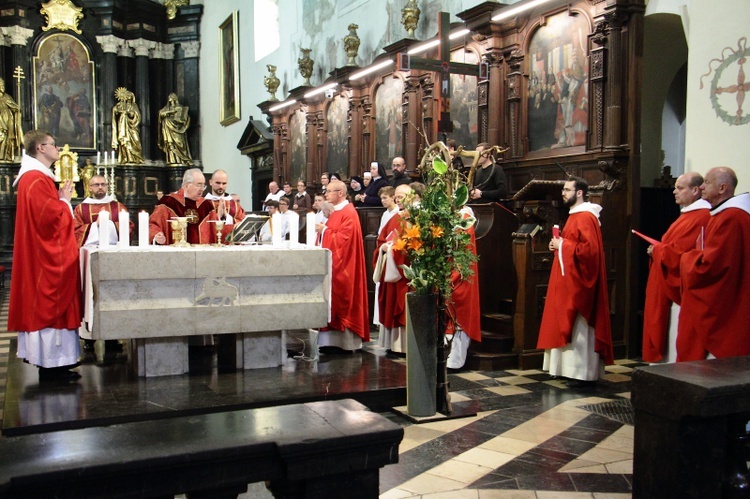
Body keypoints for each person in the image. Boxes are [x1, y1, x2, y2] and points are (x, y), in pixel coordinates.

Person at [8, 130, 81, 381]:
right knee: (51, 304)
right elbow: (48, 219)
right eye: (54, 144)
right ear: (40, 148)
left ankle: (57, 364)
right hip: (44, 259)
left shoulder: (36, 178)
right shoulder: (36, 179)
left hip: (39, 255)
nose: (58, 149)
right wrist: (64, 202)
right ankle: (51, 366)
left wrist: (60, 200)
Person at [537, 177, 613, 387]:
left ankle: (581, 372)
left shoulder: (586, 217)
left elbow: (590, 253)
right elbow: (573, 246)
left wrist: (564, 245)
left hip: (579, 283)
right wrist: (559, 246)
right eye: (563, 189)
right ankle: (563, 369)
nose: (563, 192)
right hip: (568, 279)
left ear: (580, 193)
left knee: (578, 326)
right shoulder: (574, 216)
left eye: (567, 189)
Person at [677, 167, 750, 361]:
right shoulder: (722, 214)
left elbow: (711, 265)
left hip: (727, 302)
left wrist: (686, 258)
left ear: (722, 188)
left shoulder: (732, 217)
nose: (701, 187)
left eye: (707, 182)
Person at [642, 172, 710, 363]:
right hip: (666, 283)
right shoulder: (688, 215)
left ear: (695, 190)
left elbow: (683, 254)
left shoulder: (702, 216)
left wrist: (658, 250)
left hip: (679, 290)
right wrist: (657, 250)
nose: (674, 192)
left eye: (680, 188)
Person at [315, 180, 369, 351]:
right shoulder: (336, 211)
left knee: (343, 300)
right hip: (332, 265)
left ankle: (345, 342)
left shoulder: (349, 212)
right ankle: (329, 341)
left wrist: (324, 231)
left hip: (345, 266)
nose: (326, 194)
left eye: (329, 191)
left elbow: (344, 241)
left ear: (340, 193)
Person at [373, 184, 412, 354]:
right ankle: (392, 344)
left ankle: (405, 346)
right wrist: (384, 249)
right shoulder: (394, 218)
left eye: (401, 196)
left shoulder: (416, 218)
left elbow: (416, 246)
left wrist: (395, 250)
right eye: (396, 196)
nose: (398, 199)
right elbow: (381, 240)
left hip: (405, 273)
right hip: (391, 270)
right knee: (389, 303)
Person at [446, 204, 482, 370]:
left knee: (459, 315)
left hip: (460, 275)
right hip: (448, 271)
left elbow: (463, 253)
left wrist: (453, 275)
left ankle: (455, 360)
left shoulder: (464, 219)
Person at [149, 168, 226, 245]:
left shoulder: (206, 205)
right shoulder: (168, 202)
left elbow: (217, 230)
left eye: (203, 186)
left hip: (202, 254)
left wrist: (224, 219)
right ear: (187, 185)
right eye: (199, 185)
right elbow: (153, 224)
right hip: (175, 254)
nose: (202, 189)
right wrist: (156, 234)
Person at [74, 175, 134, 247]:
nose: (100, 187)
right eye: (96, 185)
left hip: (113, 248)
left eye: (103, 184)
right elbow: (75, 231)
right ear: (90, 188)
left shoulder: (118, 206)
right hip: (89, 248)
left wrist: (109, 224)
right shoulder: (80, 208)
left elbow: (129, 227)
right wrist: (95, 225)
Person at [157, 92, 193, 166]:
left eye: (173, 96)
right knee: (170, 144)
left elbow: (185, 117)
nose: (171, 97)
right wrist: (170, 112)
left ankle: (182, 159)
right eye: (170, 97)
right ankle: (172, 160)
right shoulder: (166, 108)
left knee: (180, 143)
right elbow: (161, 114)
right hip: (168, 129)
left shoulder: (180, 107)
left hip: (178, 129)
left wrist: (183, 120)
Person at [111, 87, 144, 164]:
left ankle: (136, 157)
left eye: (130, 96)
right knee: (124, 142)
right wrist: (117, 110)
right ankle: (127, 157)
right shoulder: (120, 105)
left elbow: (137, 115)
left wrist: (129, 113)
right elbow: (115, 111)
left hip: (132, 127)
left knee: (136, 141)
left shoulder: (134, 105)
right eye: (127, 96)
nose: (128, 98)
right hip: (122, 125)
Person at [0, 78, 23, 162]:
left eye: (3, 85)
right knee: (2, 136)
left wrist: (17, 110)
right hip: (0, 121)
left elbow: (14, 107)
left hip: (8, 120)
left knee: (7, 138)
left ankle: (5, 155)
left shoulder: (6, 96)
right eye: (0, 85)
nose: (2, 87)